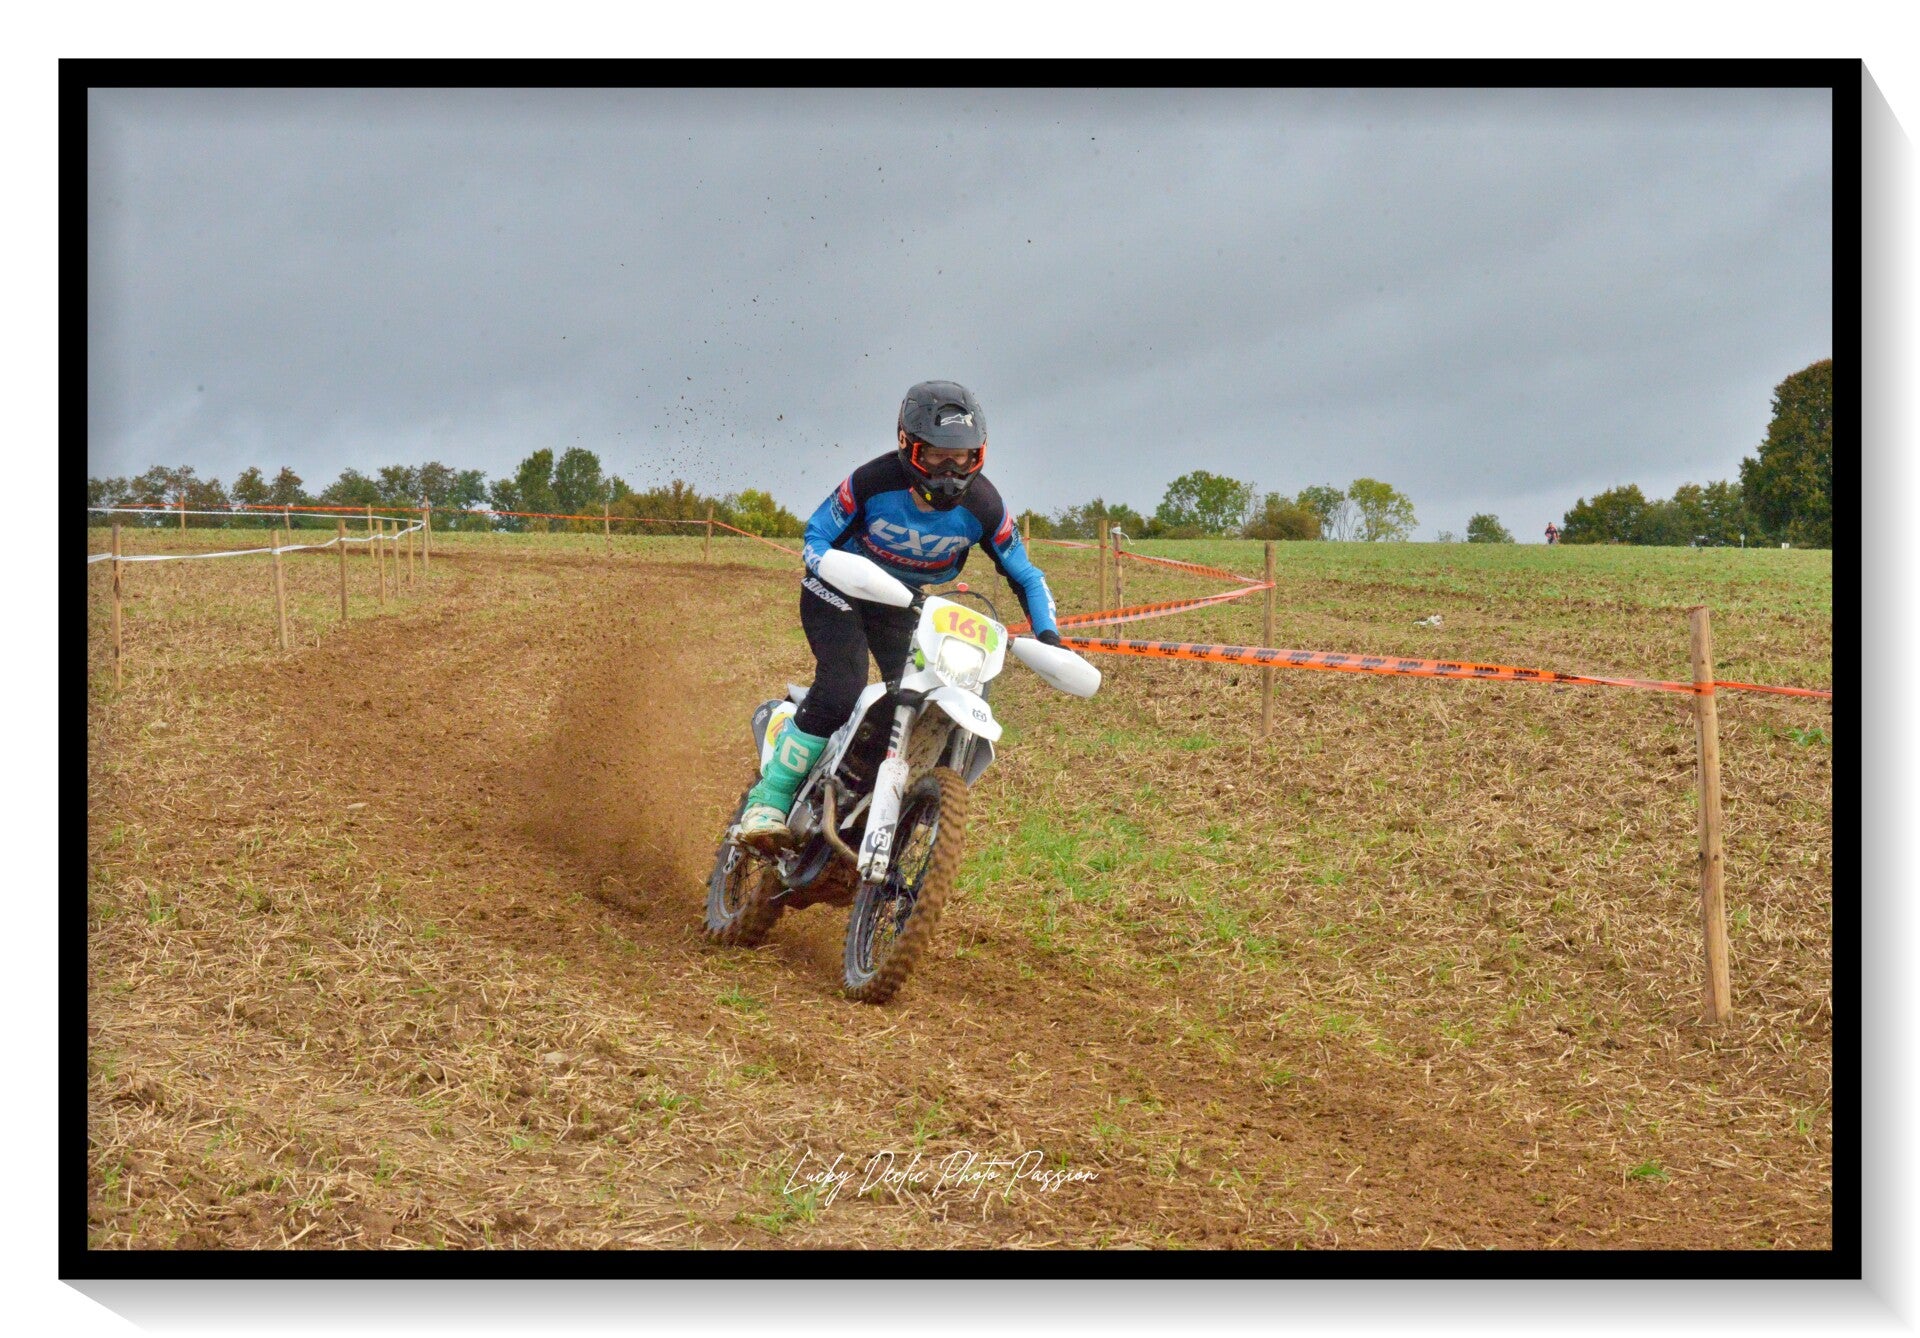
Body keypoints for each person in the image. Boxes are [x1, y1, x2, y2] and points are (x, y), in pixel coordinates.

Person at [734, 380, 1063, 852]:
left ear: (980, 454)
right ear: (909, 447)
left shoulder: (985, 507)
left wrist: (1050, 638)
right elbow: (816, 536)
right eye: (937, 456)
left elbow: (1026, 576)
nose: (950, 469)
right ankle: (768, 800)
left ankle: (864, 799)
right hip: (838, 587)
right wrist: (829, 564)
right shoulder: (873, 482)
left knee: (919, 697)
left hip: (903, 603)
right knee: (843, 686)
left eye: (963, 457)